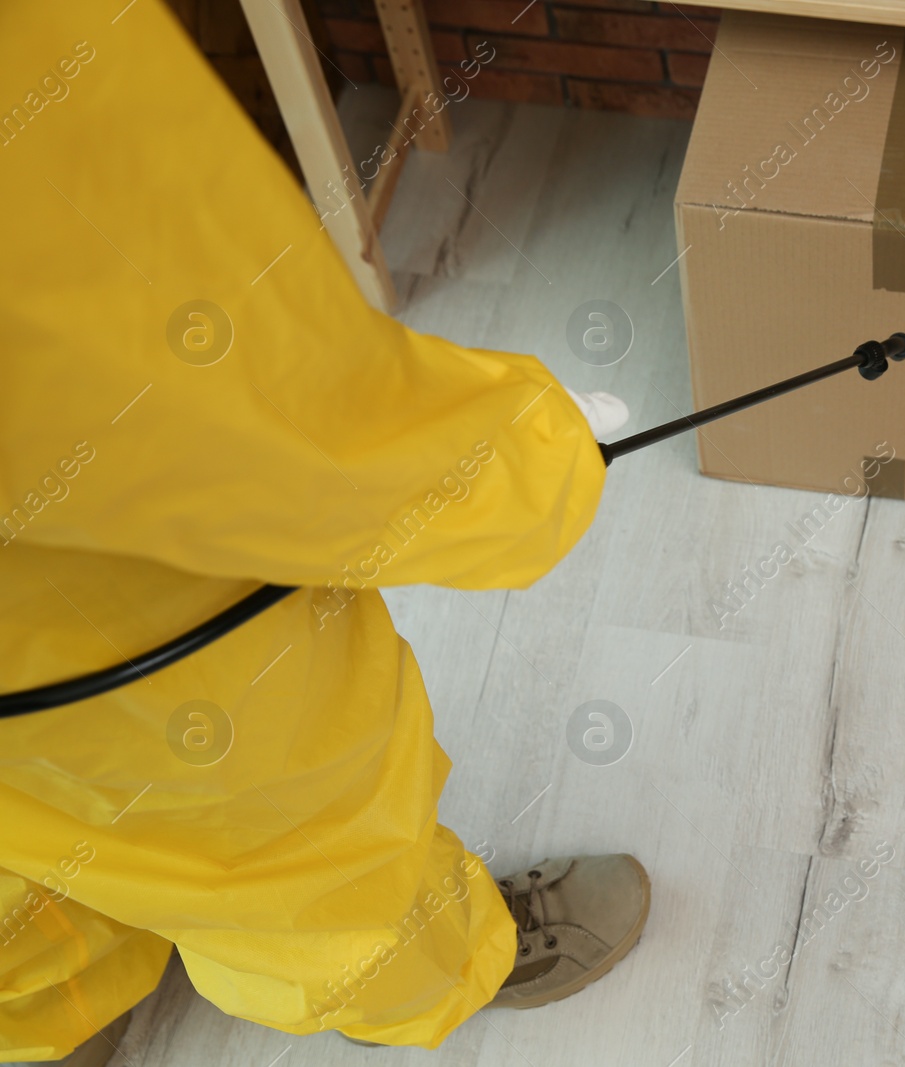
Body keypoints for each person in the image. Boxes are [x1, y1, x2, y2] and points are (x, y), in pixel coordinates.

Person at [0, 3, 647, 1062]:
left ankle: (41, 1018)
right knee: (291, 830)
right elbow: (196, 389)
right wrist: (524, 468)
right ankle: (430, 968)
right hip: (86, 624)